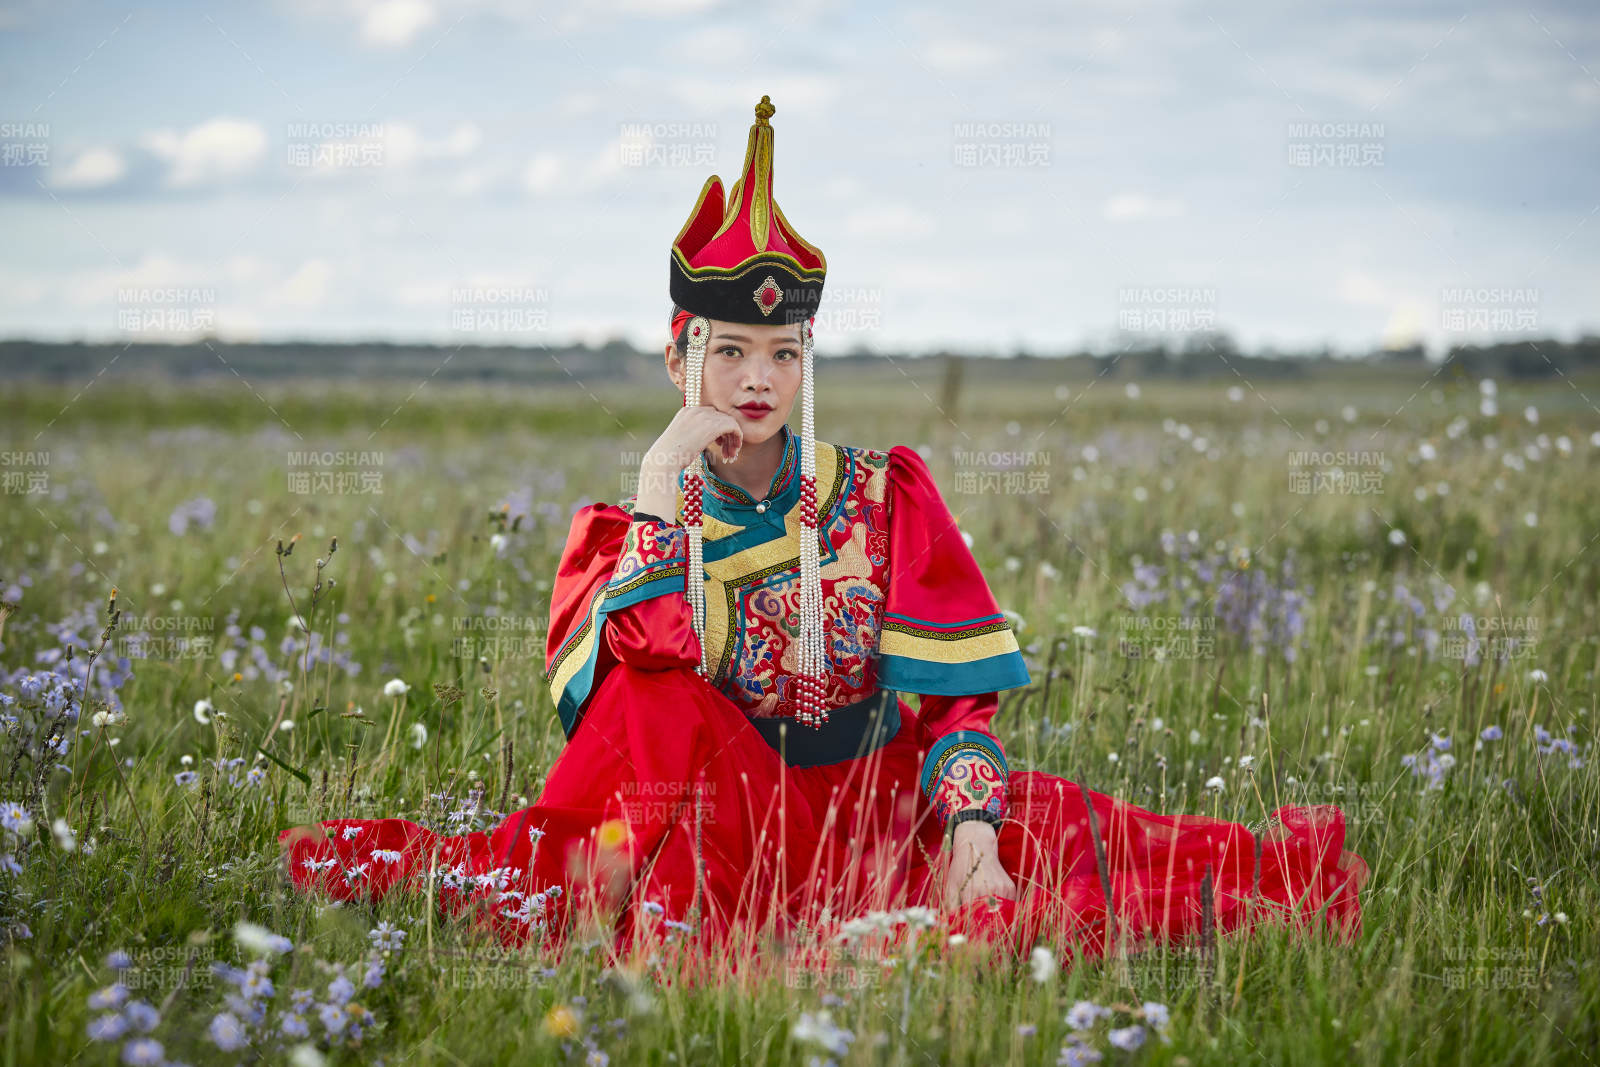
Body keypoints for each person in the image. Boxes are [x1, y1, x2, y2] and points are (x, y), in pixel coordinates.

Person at [279, 96, 1367, 970]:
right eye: (732, 351)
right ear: (679, 358)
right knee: (654, 700)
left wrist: (974, 843)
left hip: (878, 807)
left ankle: (958, 865)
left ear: (809, 361)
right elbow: (630, 707)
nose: (758, 380)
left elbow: (953, 703)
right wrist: (663, 478)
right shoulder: (632, 523)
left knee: (1103, 870)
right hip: (721, 824)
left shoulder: (880, 496)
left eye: (785, 353)